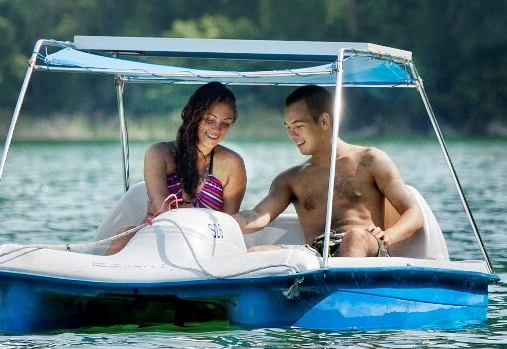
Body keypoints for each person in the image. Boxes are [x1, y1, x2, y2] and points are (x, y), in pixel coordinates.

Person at [238, 84, 422, 257]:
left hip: (367, 246)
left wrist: (389, 235)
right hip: (315, 252)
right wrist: (218, 221)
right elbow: (256, 216)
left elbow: (413, 212)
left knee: (355, 236)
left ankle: (345, 288)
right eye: (288, 128)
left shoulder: (370, 160)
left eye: (298, 126)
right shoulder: (290, 179)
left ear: (324, 121)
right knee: (256, 252)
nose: (292, 135)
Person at [102, 81, 247, 255]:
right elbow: (160, 207)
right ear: (194, 115)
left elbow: (228, 223)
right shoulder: (159, 154)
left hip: (207, 246)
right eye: (210, 120)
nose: (217, 129)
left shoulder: (233, 164)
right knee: (123, 235)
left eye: (226, 123)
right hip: (156, 238)